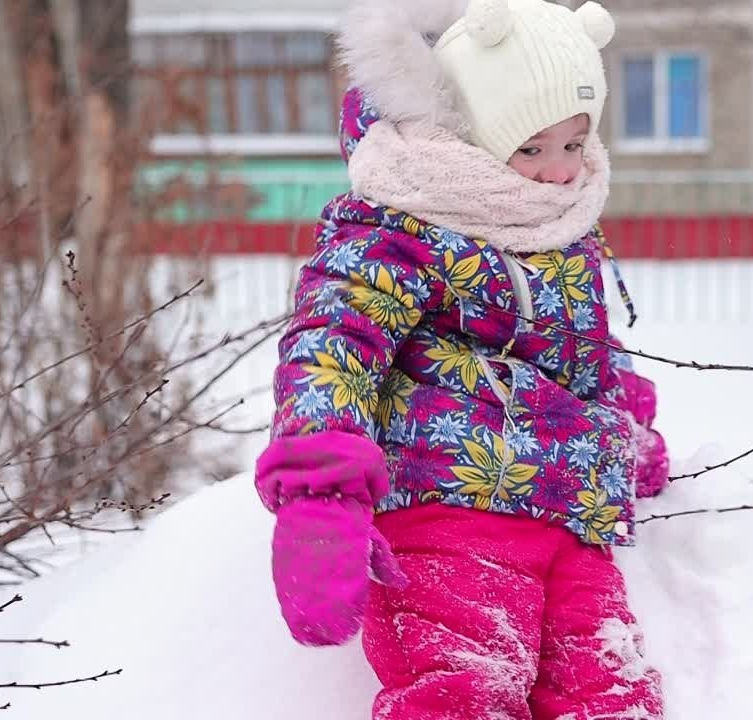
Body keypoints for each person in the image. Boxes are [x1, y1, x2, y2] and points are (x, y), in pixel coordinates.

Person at [253, 0, 670, 717]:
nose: (558, 172)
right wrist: (321, 493)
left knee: (611, 695)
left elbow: (583, 351)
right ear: (470, 136)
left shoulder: (560, 229)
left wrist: (625, 431)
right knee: (464, 688)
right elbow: (334, 344)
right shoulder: (397, 225)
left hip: (572, 521)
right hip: (449, 510)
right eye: (532, 147)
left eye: (575, 144)